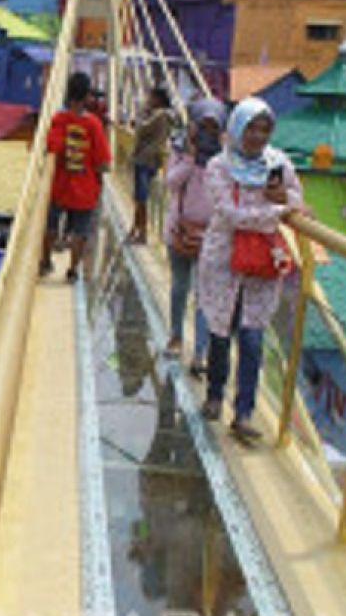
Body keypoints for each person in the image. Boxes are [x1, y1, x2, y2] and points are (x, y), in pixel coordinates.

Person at [197, 97, 303, 443]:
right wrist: (276, 212)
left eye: (265, 129)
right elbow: (229, 214)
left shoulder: (278, 163)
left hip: (261, 263)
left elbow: (298, 201)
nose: (257, 136)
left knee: (253, 338)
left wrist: (283, 199)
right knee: (220, 330)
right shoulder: (219, 166)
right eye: (251, 128)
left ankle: (243, 412)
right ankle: (215, 394)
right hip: (224, 260)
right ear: (237, 128)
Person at [163, 98, 226, 375]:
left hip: (211, 236)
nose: (207, 133)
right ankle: (176, 336)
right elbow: (170, 183)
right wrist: (189, 157)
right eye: (203, 126)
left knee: (205, 296)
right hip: (179, 229)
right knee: (180, 287)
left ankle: (199, 352)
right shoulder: (179, 149)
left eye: (214, 128)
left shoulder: (226, 160)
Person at [42, 71, 112, 283]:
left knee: (51, 225)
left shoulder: (58, 119)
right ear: (86, 96)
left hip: (59, 185)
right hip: (85, 187)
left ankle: (45, 261)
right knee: (80, 231)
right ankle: (72, 270)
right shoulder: (93, 124)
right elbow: (103, 161)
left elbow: (52, 145)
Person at [128, 86, 175, 245]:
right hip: (147, 159)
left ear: (158, 99)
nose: (149, 99)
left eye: (151, 96)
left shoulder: (160, 115)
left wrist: (141, 113)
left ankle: (142, 233)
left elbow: (141, 129)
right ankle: (135, 228)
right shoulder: (161, 115)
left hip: (146, 159)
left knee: (141, 198)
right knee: (139, 198)